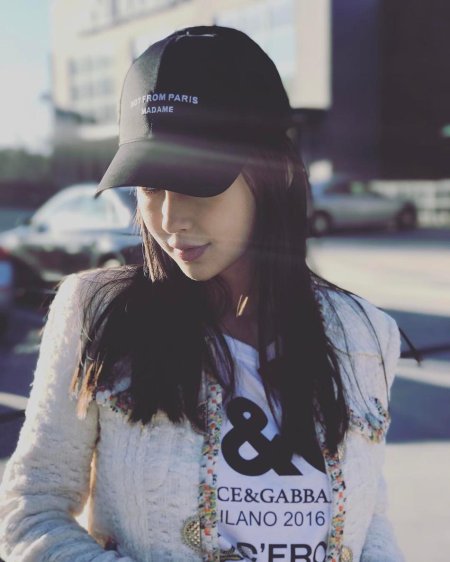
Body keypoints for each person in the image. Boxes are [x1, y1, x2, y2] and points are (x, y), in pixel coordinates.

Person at [0, 26, 405, 562]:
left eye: (196, 183)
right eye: (149, 186)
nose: (170, 218)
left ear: (275, 174)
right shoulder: (96, 314)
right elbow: (32, 513)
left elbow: (371, 520)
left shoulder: (366, 333)